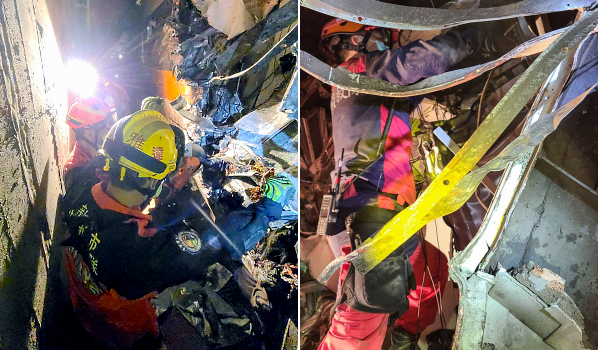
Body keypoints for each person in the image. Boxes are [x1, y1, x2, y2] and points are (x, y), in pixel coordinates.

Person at [61, 109, 292, 348]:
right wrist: (266, 210)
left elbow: (135, 171)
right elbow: (220, 240)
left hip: (82, 297)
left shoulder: (82, 182)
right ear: (151, 181)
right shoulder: (142, 255)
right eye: (162, 177)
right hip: (121, 329)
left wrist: (178, 169)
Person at [317, 18, 475, 350]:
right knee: (358, 325)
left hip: (366, 210)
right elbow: (422, 59)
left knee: (431, 268)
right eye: (379, 42)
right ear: (359, 40)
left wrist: (436, 106)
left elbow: (404, 108)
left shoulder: (351, 86)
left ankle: (405, 335)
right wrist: (475, 39)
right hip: (369, 214)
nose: (384, 50)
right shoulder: (358, 68)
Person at [64, 96, 116, 174]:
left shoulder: (98, 156)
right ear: (89, 134)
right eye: (104, 124)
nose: (110, 126)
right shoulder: (76, 169)